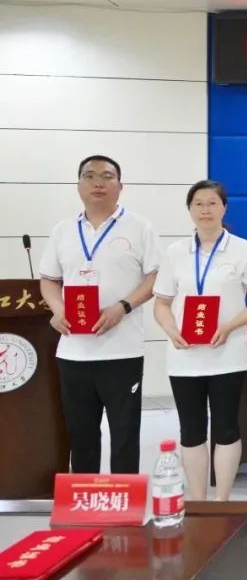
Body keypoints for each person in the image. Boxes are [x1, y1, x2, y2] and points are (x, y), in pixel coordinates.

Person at [39, 155, 162, 473]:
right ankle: (85, 498)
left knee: (125, 433)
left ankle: (123, 498)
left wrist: (123, 307)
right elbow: (49, 280)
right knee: (81, 434)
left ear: (120, 185)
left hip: (123, 351)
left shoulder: (140, 227)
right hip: (73, 352)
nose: (98, 183)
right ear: (78, 185)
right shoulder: (63, 230)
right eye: (90, 176)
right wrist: (58, 309)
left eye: (107, 176)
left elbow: (156, 277)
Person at [153, 180, 247, 501]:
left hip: (227, 355)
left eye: (212, 203)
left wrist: (229, 326)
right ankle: (199, 501)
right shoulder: (175, 252)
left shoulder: (244, 249)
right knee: (190, 430)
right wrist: (172, 330)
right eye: (198, 204)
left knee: (226, 427)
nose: (205, 210)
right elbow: (161, 304)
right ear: (189, 210)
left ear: (224, 208)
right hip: (184, 357)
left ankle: (222, 500)